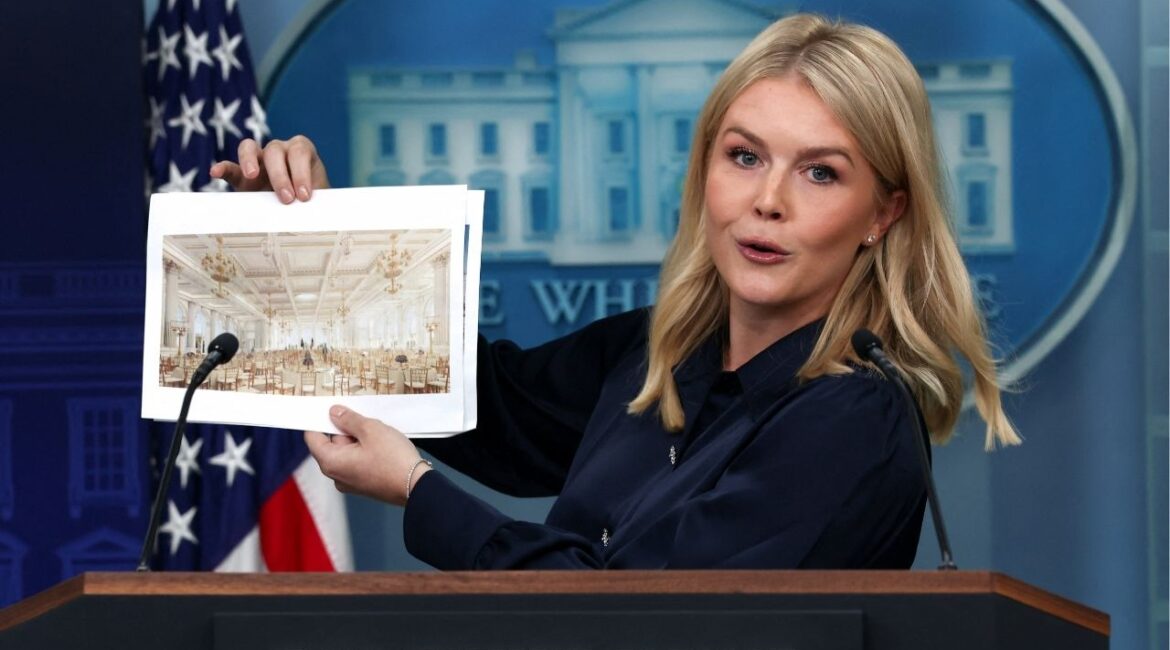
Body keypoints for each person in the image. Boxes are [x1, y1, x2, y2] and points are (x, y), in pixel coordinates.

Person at [211, 13, 1021, 570]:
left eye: (820, 171)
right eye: (744, 156)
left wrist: (420, 494)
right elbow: (455, 390)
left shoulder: (857, 415)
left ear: (883, 212)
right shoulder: (653, 356)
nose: (767, 198)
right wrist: (297, 237)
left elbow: (631, 614)